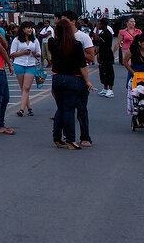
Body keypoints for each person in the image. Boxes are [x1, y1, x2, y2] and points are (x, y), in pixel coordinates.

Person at [50, 17, 91, 149]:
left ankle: (57, 137)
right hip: (72, 78)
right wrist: (87, 81)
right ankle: (70, 139)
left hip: (57, 77)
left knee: (60, 108)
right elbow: (82, 65)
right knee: (69, 109)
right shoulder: (76, 44)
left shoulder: (52, 42)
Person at [65, 11, 96, 146]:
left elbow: (91, 57)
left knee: (81, 108)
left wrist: (76, 54)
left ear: (72, 21)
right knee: (66, 109)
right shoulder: (59, 37)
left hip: (79, 75)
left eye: (65, 20)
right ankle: (68, 136)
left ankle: (85, 136)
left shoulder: (83, 37)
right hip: (64, 75)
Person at [10, 21, 40, 117]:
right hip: (19, 64)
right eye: (28, 28)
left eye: (31, 28)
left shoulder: (35, 40)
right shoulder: (17, 40)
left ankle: (21, 110)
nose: (30, 30)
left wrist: (35, 53)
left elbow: (39, 53)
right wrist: (23, 53)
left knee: (26, 87)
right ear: (23, 29)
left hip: (31, 65)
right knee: (23, 88)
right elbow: (12, 53)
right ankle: (29, 108)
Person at [94, 17, 116, 97]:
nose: (98, 25)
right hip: (102, 54)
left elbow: (97, 38)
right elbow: (99, 44)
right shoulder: (102, 32)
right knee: (102, 71)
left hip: (107, 55)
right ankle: (105, 88)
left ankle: (110, 89)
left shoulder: (107, 33)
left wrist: (96, 29)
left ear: (103, 24)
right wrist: (97, 53)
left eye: (100, 24)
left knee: (109, 71)